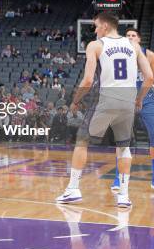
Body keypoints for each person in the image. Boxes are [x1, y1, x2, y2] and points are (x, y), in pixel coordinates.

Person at [56, 11, 153, 208]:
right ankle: (124, 196)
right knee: (123, 147)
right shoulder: (134, 46)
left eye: (96, 25)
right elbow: (150, 77)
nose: (95, 29)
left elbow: (89, 80)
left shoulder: (96, 45)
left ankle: (73, 189)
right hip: (127, 101)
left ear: (105, 26)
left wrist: (75, 100)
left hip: (105, 99)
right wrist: (139, 99)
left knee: (82, 141)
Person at [111, 28, 154, 190]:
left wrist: (141, 98)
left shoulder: (149, 55)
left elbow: (152, 79)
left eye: (133, 35)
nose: (130, 37)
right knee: (121, 139)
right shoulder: (118, 55)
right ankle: (118, 178)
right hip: (125, 98)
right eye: (127, 35)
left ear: (139, 39)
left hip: (147, 98)